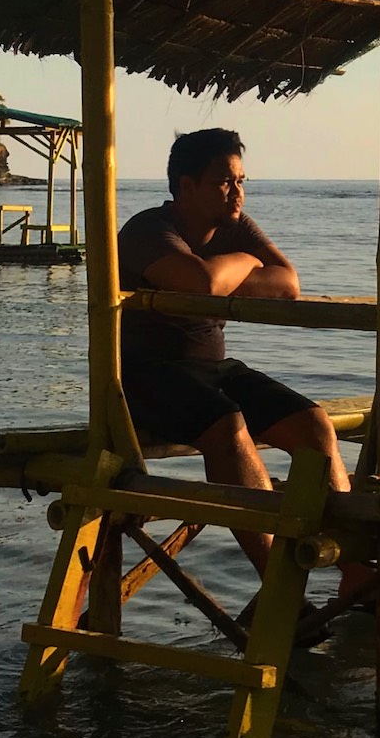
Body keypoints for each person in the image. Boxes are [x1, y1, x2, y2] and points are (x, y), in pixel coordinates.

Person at [117, 129, 353, 562]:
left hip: (213, 370)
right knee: (227, 425)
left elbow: (288, 284)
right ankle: (277, 576)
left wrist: (227, 270)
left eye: (242, 181)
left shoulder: (235, 224)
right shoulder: (147, 230)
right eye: (225, 182)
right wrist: (246, 261)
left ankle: (355, 571)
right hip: (144, 374)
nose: (237, 193)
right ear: (186, 186)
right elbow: (201, 284)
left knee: (316, 426)